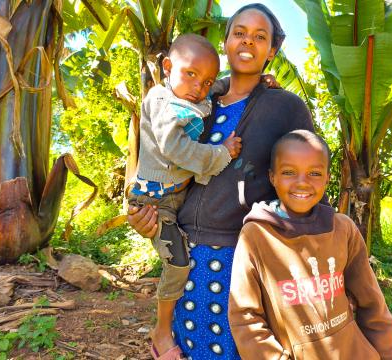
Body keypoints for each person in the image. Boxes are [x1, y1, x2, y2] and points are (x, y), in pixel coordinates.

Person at [129, 4, 321, 359]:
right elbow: (155, 158)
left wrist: (314, 250)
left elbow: (308, 180)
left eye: (260, 36)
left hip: (244, 258)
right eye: (239, 32)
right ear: (227, 41)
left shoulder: (285, 106)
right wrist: (143, 215)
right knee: (189, 345)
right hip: (187, 252)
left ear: (272, 51)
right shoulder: (196, 99)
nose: (248, 41)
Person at [228, 130, 392, 360]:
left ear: (328, 178)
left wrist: (389, 354)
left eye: (315, 173)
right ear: (273, 177)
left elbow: (373, 305)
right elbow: (245, 317)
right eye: (289, 172)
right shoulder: (256, 235)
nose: (302, 183)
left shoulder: (342, 229)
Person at [129, 33, 242, 359]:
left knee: (181, 260)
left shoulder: (191, 99)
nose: (198, 86)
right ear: (167, 67)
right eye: (190, 74)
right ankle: (161, 331)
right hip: (156, 204)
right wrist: (220, 153)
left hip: (176, 198)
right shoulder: (164, 103)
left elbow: (213, 92)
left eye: (205, 81)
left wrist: (227, 82)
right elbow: (175, 149)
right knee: (178, 264)